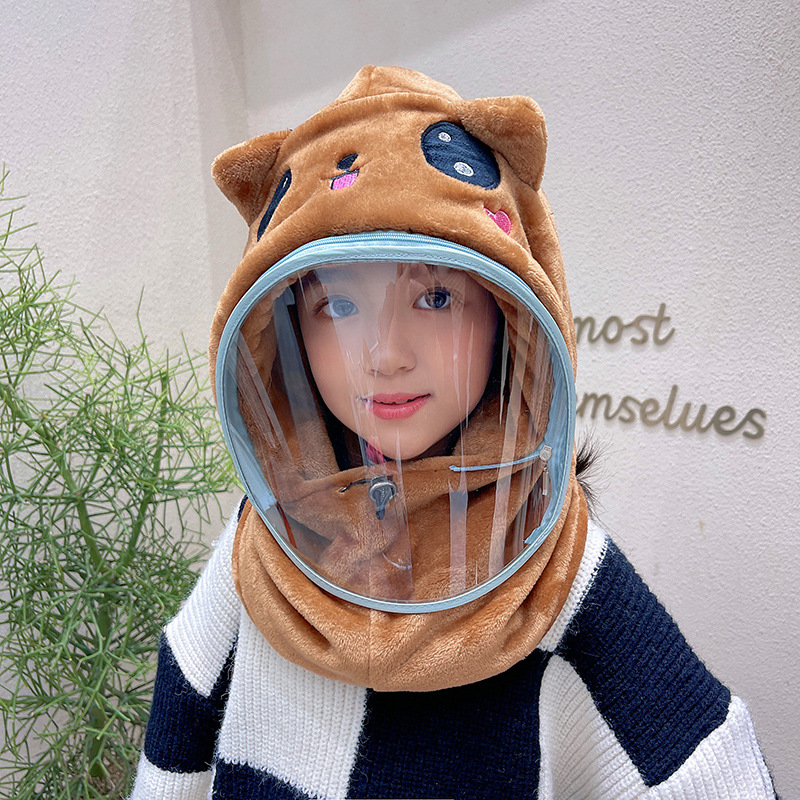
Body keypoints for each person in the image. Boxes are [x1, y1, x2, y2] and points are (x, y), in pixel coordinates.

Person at [130, 66, 776, 799]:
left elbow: (709, 771)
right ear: (285, 333)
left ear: (509, 314)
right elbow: (173, 759)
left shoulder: (556, 584)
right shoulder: (265, 550)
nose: (385, 355)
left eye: (435, 297)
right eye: (338, 306)